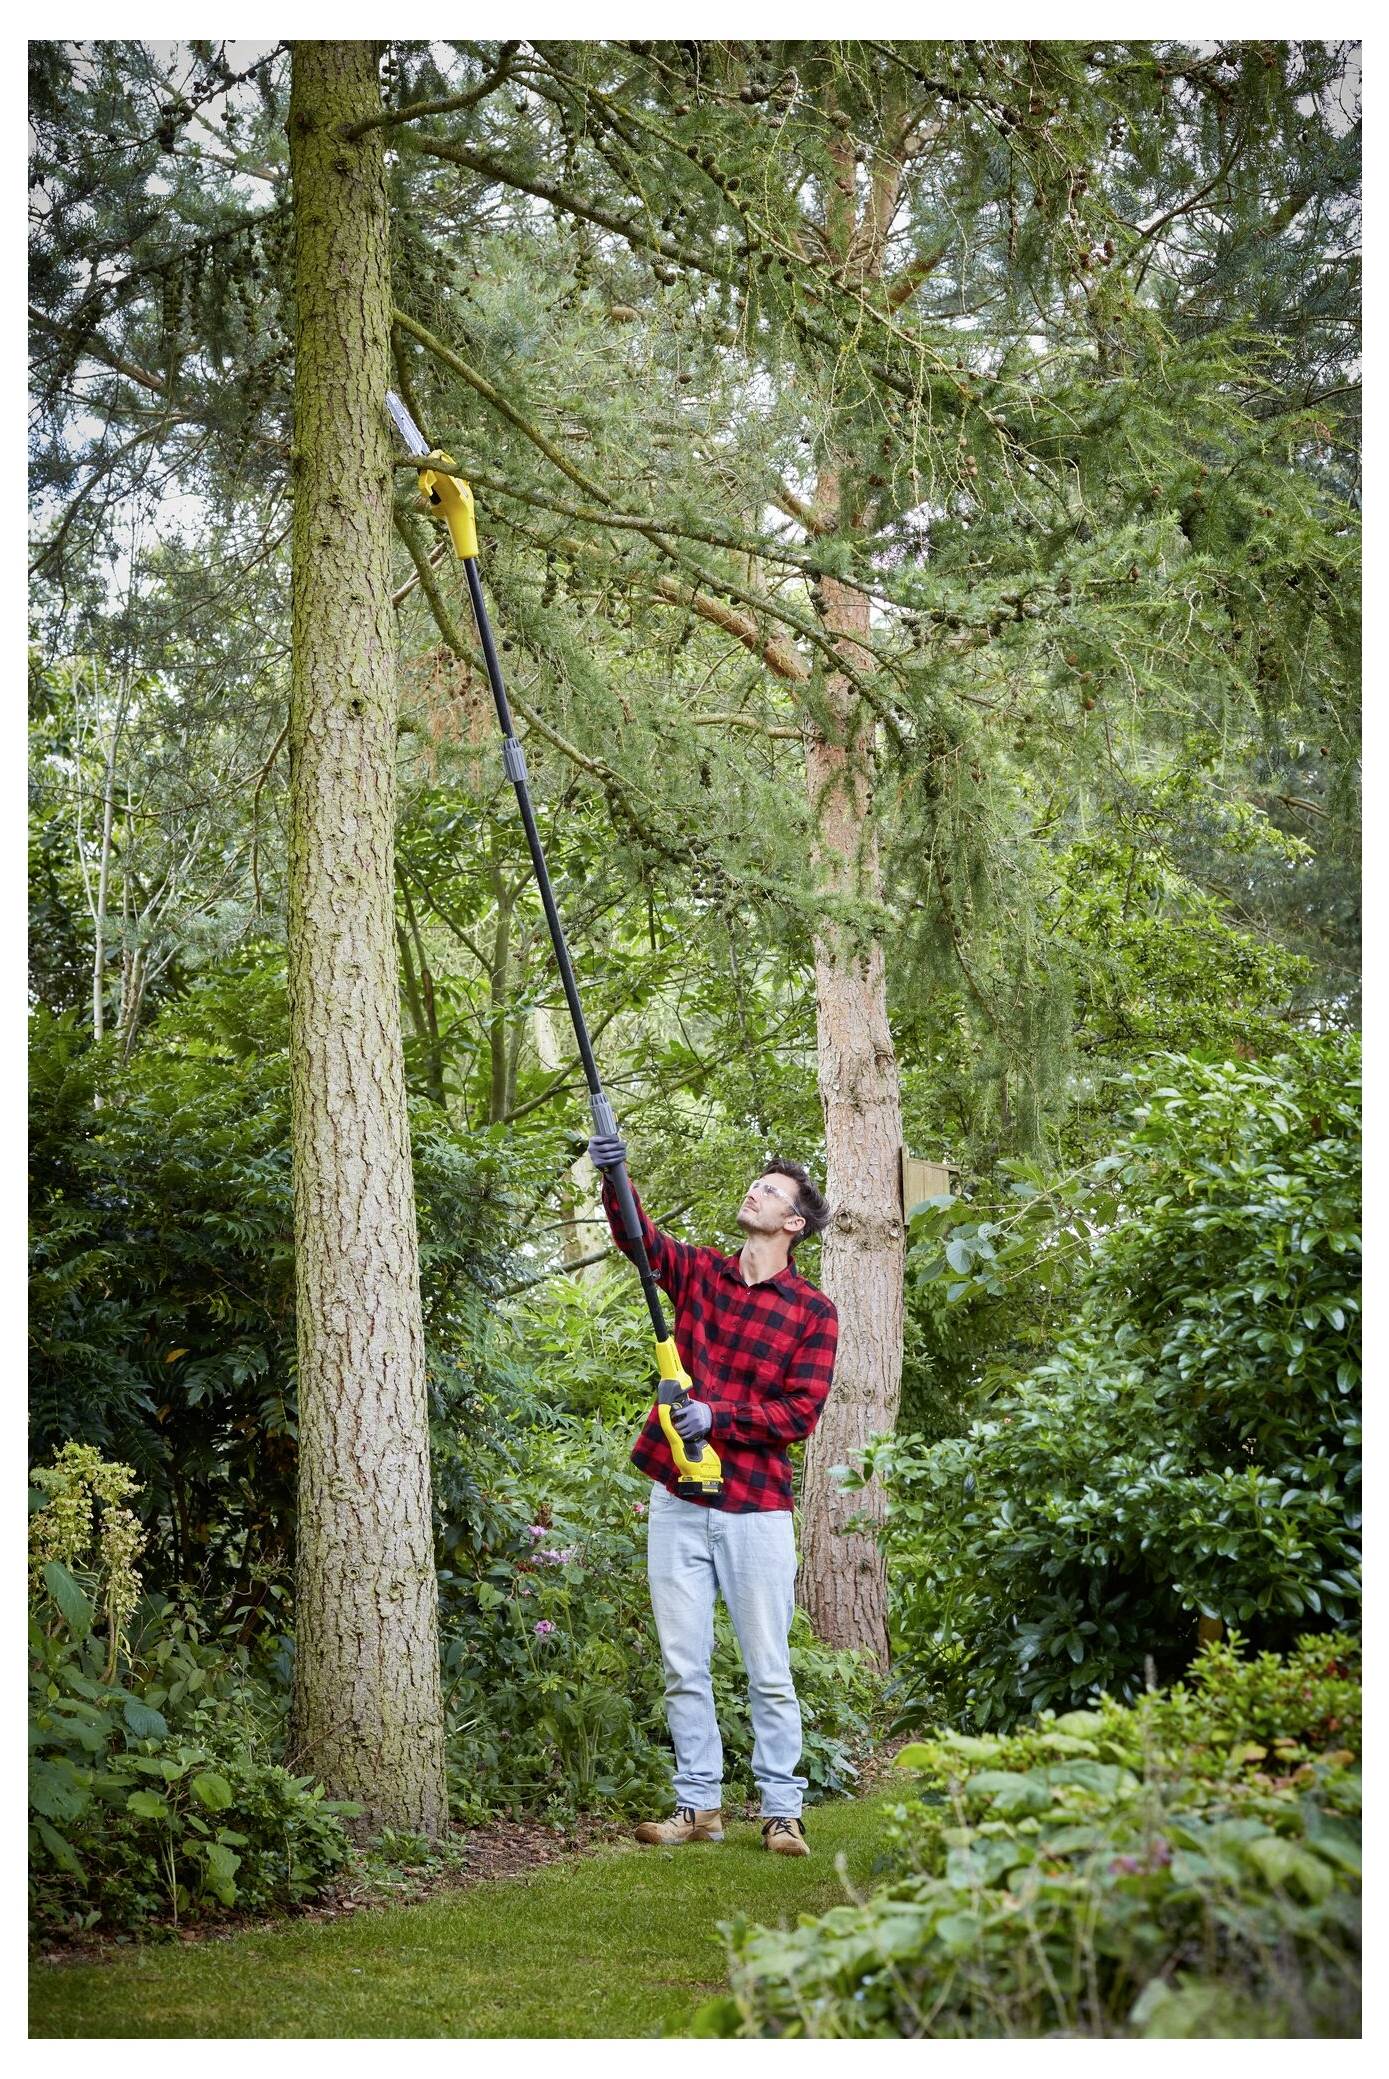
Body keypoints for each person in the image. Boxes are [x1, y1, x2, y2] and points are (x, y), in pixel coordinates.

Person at [588, 1131, 837, 1858]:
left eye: (769, 1191)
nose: (753, 1193)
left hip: (756, 1506)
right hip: (679, 1498)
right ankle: (698, 1804)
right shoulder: (700, 1274)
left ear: (793, 1223)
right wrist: (616, 1174)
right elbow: (640, 1242)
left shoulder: (811, 1312)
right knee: (683, 1661)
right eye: (754, 1186)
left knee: (767, 1664)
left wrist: (718, 1417)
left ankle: (782, 1809)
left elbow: (800, 1413)